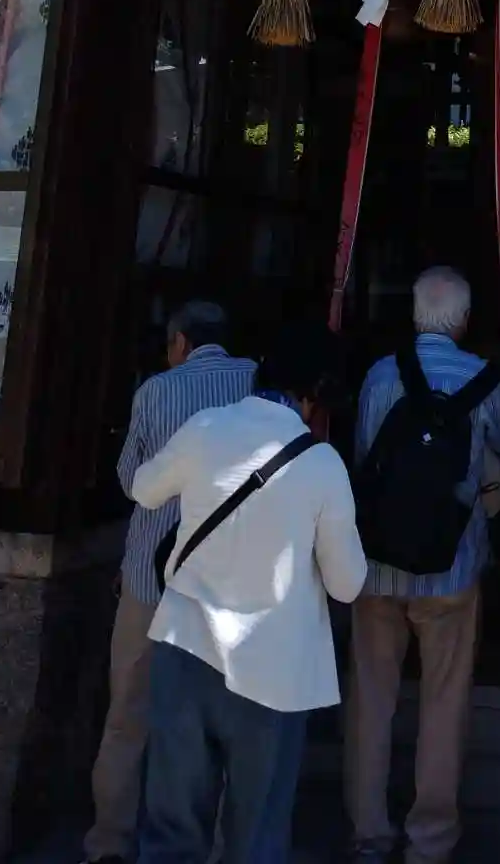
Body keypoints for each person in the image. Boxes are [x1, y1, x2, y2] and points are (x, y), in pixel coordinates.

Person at [133, 321, 367, 864]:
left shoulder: (206, 426)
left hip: (185, 648)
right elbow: (347, 585)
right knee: (256, 838)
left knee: (170, 832)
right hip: (272, 671)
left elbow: (145, 490)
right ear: (317, 393)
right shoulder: (322, 463)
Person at [345, 267, 500, 864]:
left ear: (414, 315)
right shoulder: (486, 380)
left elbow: (363, 459)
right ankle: (430, 841)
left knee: (370, 697)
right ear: (464, 320)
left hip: (377, 564)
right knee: (445, 701)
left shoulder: (380, 376)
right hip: (452, 567)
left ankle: (369, 833)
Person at [85, 301, 258, 864]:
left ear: (180, 342)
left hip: (150, 579)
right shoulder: (257, 386)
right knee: (221, 724)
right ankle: (216, 848)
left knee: (127, 715)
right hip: (226, 583)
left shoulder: (157, 390)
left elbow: (130, 480)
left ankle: (109, 843)